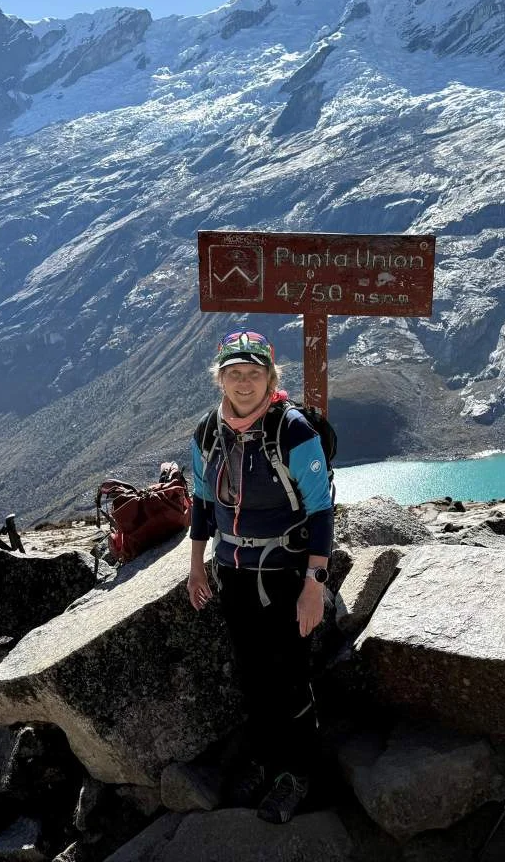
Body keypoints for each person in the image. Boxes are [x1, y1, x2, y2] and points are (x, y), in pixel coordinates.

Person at [187, 329, 333, 825]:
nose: (243, 383)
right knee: (253, 676)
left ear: (271, 378)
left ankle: (298, 774)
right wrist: (195, 566)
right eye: (234, 374)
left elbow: (321, 510)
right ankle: (267, 762)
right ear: (220, 378)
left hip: (287, 577)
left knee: (289, 676)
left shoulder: (292, 431)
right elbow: (203, 503)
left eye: (254, 373)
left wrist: (314, 585)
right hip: (234, 574)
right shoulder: (209, 432)